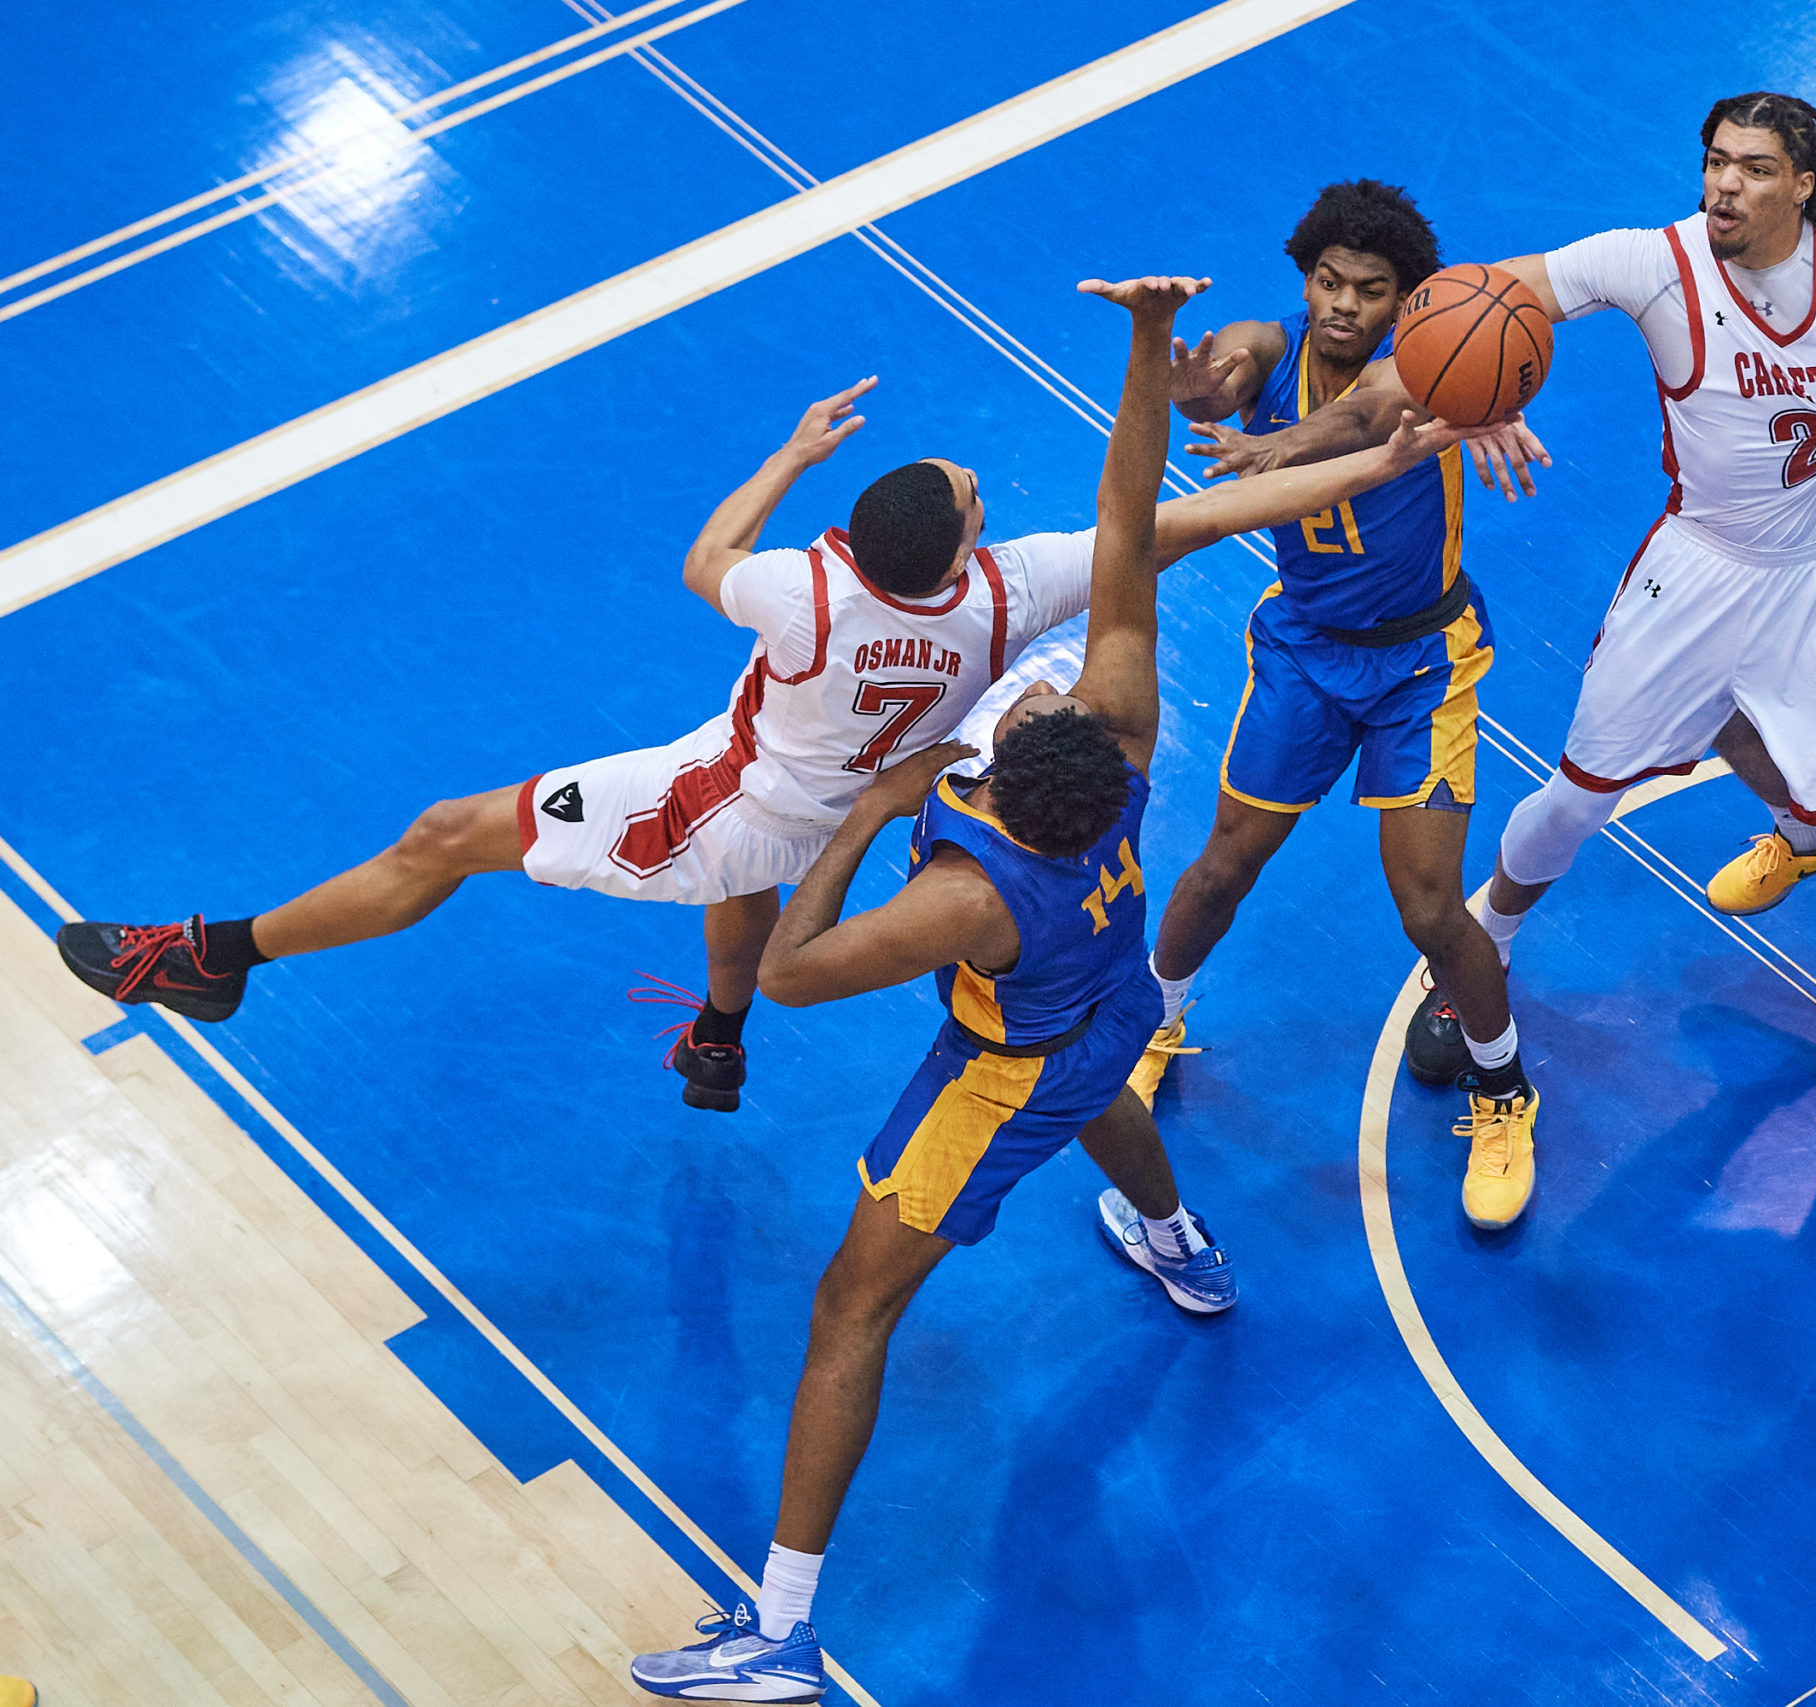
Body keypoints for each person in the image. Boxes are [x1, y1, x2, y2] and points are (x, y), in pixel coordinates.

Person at [627, 274, 1462, 1700]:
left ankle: (782, 1630)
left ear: (1002, 787)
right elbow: (1130, 514)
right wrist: (1149, 346)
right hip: (1112, 1009)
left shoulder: (963, 891)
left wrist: (866, 809)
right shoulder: (1127, 736)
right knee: (1107, 1086)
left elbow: (790, 969)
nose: (1026, 691)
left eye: (1017, 711)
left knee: (849, 1310)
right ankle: (1178, 1235)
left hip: (998, 1069)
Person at [55, 373, 1463, 1113]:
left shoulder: (803, 585)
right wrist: (1389, 460)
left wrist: (793, 448)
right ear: (966, 549)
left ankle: (214, 957)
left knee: (444, 832)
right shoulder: (1014, 585)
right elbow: (1196, 522)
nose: (976, 484)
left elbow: (701, 555)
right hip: (841, 796)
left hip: (736, 792)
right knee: (744, 872)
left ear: (856, 542)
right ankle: (720, 1035)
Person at [1206, 96, 1816, 1163]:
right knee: (1570, 806)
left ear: (1805, 184)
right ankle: (1477, 959)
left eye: (1754, 169)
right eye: (1715, 163)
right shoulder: (1652, 264)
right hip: (1693, 575)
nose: (1724, 184)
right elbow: (1473, 305)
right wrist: (1464, 391)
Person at [1141, 178, 1543, 1230]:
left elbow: (1366, 415)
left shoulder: (1421, 368)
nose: (1342, 304)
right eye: (1327, 282)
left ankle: (1504, 1093)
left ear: (1404, 302)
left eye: (1369, 290)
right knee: (1224, 860)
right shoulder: (1268, 347)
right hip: (1306, 653)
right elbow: (1221, 377)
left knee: (1425, 907)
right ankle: (1152, 1020)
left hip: (1424, 666)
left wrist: (1279, 448)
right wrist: (1192, 387)